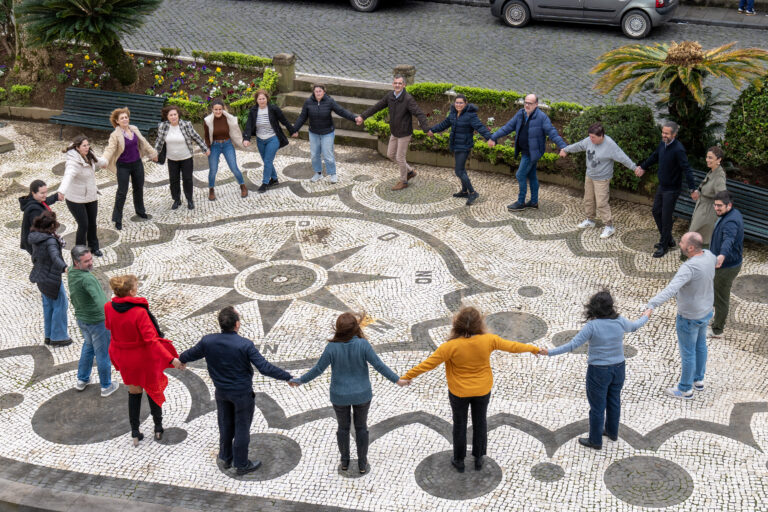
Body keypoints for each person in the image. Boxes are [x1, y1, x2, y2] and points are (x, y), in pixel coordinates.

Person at [401, 306, 542, 472]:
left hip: (459, 392)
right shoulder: (489, 340)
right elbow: (512, 346)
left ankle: (459, 460)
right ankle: (479, 457)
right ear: (479, 324)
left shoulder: (450, 346)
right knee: (480, 421)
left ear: (457, 324)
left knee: (459, 424)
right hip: (482, 390)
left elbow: (427, 364)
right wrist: (534, 349)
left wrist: (407, 376)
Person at [290, 312, 409, 474]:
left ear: (338, 329)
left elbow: (318, 369)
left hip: (339, 396)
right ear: (355, 328)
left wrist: (300, 380)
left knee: (343, 428)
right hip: (362, 395)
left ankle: (344, 461)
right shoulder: (363, 345)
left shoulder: (331, 348)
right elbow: (379, 365)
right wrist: (397, 380)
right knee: (361, 428)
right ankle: (362, 463)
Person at [179, 307, 293, 475]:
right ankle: (241, 464)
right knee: (242, 428)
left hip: (221, 392)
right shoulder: (245, 345)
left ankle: (226, 457)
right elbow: (264, 368)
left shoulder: (208, 341)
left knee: (225, 424)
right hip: (242, 394)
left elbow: (189, 355)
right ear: (237, 324)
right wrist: (287, 377)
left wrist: (180, 360)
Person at [545, 289, 650, 449]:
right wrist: (646, 315)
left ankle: (595, 440)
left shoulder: (592, 326)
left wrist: (548, 352)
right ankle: (612, 432)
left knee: (597, 407)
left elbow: (572, 345)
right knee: (614, 401)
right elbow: (635, 326)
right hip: (619, 368)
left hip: (598, 371)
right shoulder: (620, 321)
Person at [105, 274, 183, 445]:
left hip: (124, 359)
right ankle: (158, 427)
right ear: (131, 292)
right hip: (143, 359)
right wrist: (171, 359)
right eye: (136, 286)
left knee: (134, 393)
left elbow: (109, 326)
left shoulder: (108, 307)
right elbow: (152, 341)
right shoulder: (139, 312)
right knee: (153, 390)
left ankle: (135, 432)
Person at [645, 232, 716, 399]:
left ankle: (685, 389)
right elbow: (717, 261)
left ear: (690, 248)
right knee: (700, 346)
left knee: (688, 353)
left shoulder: (689, 268)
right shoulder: (710, 256)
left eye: (682, 242)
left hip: (689, 316)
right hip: (706, 311)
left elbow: (671, 289)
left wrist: (652, 304)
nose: (679, 243)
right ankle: (698, 380)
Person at [487, 94, 567, 211]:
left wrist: (563, 147)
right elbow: (508, 127)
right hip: (525, 151)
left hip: (532, 152)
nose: (527, 105)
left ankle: (521, 202)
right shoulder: (521, 114)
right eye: (525, 102)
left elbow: (552, 132)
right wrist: (493, 137)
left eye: (530, 103)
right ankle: (534, 202)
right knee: (531, 175)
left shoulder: (542, 118)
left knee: (520, 174)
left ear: (536, 104)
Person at [559, 122, 636, 239]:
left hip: (602, 178)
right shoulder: (589, 140)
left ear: (601, 136)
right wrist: (566, 149)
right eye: (590, 136)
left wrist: (634, 168)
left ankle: (609, 226)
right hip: (590, 175)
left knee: (601, 203)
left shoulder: (610, 145)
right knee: (588, 199)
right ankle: (590, 220)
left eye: (593, 137)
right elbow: (578, 145)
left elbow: (623, 158)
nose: (591, 139)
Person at [635, 121, 698, 258]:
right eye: (663, 132)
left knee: (666, 217)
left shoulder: (678, 149)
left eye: (667, 133)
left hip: (672, 189)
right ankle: (668, 239)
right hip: (662, 186)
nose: (663, 135)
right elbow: (654, 156)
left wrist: (693, 188)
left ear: (674, 134)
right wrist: (643, 167)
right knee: (656, 211)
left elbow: (687, 169)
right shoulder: (663, 144)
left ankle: (664, 245)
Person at [360, 75, 430, 190]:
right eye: (395, 83)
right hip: (394, 132)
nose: (397, 85)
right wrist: (363, 116)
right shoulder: (390, 96)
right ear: (393, 84)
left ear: (404, 85)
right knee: (390, 155)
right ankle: (410, 171)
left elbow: (419, 113)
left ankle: (404, 181)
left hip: (404, 133)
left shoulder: (408, 99)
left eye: (400, 83)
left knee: (400, 157)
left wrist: (426, 128)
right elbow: (377, 107)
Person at [68, 245, 118, 396]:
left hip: (82, 319)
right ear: (76, 262)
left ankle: (82, 379)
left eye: (90, 259)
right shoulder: (88, 278)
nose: (90, 263)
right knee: (103, 353)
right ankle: (106, 386)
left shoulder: (71, 272)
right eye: (86, 261)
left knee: (89, 347)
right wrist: (113, 316)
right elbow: (101, 302)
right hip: (97, 321)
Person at [427, 94, 493, 206]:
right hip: (456, 145)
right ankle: (464, 191)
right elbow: (444, 124)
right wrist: (432, 130)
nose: (458, 105)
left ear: (465, 103)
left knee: (459, 171)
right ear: (454, 103)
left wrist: (490, 138)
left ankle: (473, 192)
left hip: (464, 146)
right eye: (457, 103)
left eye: (461, 103)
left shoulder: (470, 115)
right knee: (461, 169)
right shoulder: (453, 113)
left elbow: (480, 127)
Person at [291, 84, 363, 184]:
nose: (318, 93)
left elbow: (341, 111)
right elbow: (302, 117)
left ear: (324, 92)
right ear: (313, 92)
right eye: (316, 91)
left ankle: (332, 174)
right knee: (314, 155)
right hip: (314, 133)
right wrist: (294, 129)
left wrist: (354, 118)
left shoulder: (329, 101)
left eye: (320, 91)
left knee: (328, 155)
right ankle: (318, 173)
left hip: (327, 133)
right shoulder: (308, 102)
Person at [102, 108, 158, 231]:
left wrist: (153, 154)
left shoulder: (134, 129)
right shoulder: (115, 135)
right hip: (123, 166)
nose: (125, 119)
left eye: (126, 117)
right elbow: (110, 149)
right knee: (122, 192)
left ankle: (140, 210)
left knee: (138, 188)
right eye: (122, 118)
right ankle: (117, 218)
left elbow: (144, 142)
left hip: (137, 163)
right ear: (117, 121)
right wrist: (104, 160)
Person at [28, 210, 71, 347]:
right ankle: (59, 337)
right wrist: (65, 268)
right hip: (51, 278)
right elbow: (55, 257)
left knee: (48, 306)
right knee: (61, 304)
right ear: (52, 225)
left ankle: (49, 335)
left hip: (41, 276)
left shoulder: (35, 236)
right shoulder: (51, 241)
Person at [154, 105, 209, 210]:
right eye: (171, 115)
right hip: (172, 159)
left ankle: (189, 199)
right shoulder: (163, 126)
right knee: (173, 180)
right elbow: (159, 141)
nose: (173, 117)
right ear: (167, 117)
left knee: (187, 179)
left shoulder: (186, 125)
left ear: (178, 115)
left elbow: (196, 137)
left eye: (175, 114)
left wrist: (205, 149)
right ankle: (176, 199)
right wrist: (154, 153)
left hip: (186, 158)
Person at [59, 136, 107, 256]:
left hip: (90, 196)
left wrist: (105, 163)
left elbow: (99, 160)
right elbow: (68, 176)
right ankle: (79, 252)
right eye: (84, 146)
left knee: (92, 223)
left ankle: (94, 247)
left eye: (88, 145)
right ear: (77, 147)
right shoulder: (73, 162)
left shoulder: (89, 154)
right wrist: (61, 191)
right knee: (83, 224)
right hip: (75, 199)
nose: (87, 147)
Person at [242, 89, 296, 193]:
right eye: (260, 99)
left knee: (267, 161)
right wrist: (246, 138)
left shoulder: (273, 109)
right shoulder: (253, 111)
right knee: (267, 161)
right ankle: (274, 179)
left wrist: (292, 130)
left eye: (263, 98)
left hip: (273, 138)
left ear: (267, 99)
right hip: (260, 140)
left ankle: (265, 183)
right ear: (256, 100)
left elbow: (284, 120)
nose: (262, 101)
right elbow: (249, 125)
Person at [708, 190, 744, 340]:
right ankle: (713, 318)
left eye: (719, 206)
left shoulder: (730, 222)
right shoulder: (732, 213)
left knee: (721, 298)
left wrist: (722, 255)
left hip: (726, 267)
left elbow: (728, 239)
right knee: (714, 292)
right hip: (724, 264)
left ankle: (717, 330)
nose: (716, 208)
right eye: (715, 205)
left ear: (729, 205)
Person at [204, 99, 248, 201]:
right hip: (214, 146)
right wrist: (207, 148)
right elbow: (206, 136)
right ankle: (211, 189)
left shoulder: (228, 118)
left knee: (234, 167)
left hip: (227, 144)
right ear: (212, 109)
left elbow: (235, 131)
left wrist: (242, 141)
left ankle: (242, 186)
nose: (218, 111)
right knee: (213, 170)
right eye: (216, 109)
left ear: (223, 109)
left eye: (220, 109)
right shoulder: (208, 121)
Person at [688, 146, 727, 247]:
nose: (707, 160)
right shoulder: (713, 171)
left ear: (719, 160)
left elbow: (722, 195)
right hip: (702, 208)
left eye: (710, 158)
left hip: (708, 212)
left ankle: (690, 255)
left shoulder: (719, 176)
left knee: (694, 237)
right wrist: (698, 191)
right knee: (696, 237)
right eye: (707, 157)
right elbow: (706, 186)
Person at [19, 179, 61, 255]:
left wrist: (56, 197)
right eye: (42, 193)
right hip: (37, 246)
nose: (45, 195)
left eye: (46, 192)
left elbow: (46, 201)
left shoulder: (36, 200)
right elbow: (40, 230)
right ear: (33, 193)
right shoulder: (34, 210)